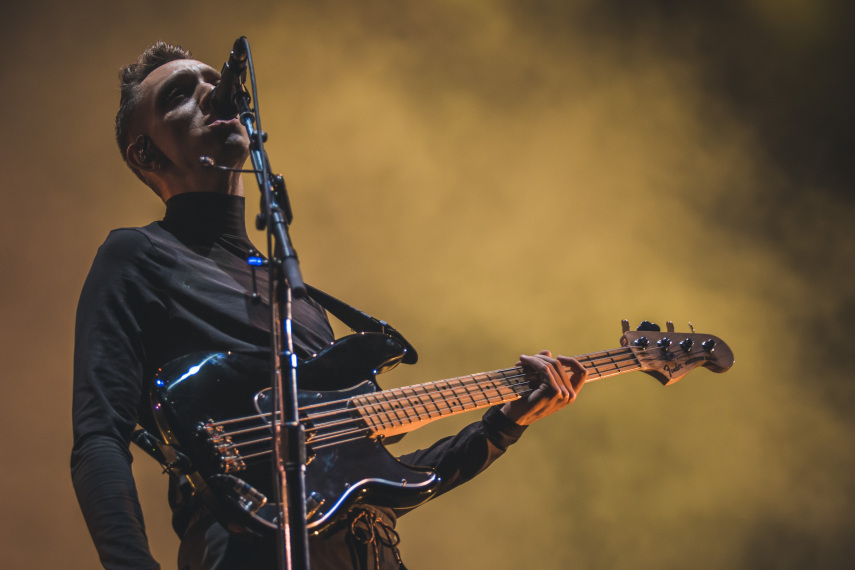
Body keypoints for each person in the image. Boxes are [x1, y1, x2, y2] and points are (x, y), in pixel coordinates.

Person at [71, 41, 588, 570]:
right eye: (182, 94)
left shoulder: (291, 291)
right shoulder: (138, 255)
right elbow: (98, 437)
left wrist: (503, 425)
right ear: (146, 154)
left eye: (213, 81)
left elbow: (362, 476)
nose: (212, 93)